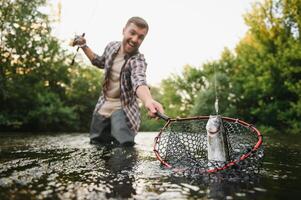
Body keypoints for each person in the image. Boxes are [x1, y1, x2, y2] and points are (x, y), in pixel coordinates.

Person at [72, 16, 164, 146]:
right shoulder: (111, 47)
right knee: (96, 145)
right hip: (102, 106)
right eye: (132, 33)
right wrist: (83, 45)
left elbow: (139, 80)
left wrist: (148, 100)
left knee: (124, 147)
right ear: (124, 31)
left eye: (140, 37)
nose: (135, 39)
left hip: (123, 110)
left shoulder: (138, 60)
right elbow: (99, 62)